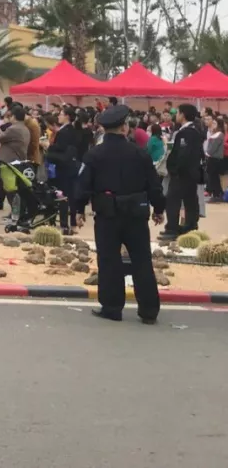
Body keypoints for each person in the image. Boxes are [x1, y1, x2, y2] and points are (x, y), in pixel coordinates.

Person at [77, 104, 164, 323]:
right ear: (124, 128)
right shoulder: (140, 154)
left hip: (107, 214)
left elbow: (83, 185)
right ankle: (149, 311)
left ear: (103, 129)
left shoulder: (94, 154)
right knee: (142, 260)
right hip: (136, 214)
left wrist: (78, 209)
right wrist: (158, 209)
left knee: (109, 260)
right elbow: (154, 185)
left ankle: (112, 307)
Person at [163, 103, 203, 240]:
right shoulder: (194, 131)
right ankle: (190, 226)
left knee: (173, 200)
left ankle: (172, 228)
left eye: (178, 113)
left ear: (183, 115)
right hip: (191, 173)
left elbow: (183, 154)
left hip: (182, 174)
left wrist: (175, 169)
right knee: (190, 200)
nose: (176, 115)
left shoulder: (186, 132)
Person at [46, 107, 81, 232]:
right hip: (72, 166)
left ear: (67, 116)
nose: (58, 116)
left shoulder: (64, 132)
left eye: (61, 114)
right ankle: (72, 224)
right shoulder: (73, 130)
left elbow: (60, 147)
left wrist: (49, 147)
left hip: (63, 167)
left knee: (63, 196)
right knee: (71, 195)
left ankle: (64, 224)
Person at [203, 115, 224, 199]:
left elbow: (213, 148)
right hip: (211, 158)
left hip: (215, 158)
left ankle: (217, 194)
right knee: (212, 177)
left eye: (215, 123)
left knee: (214, 177)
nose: (213, 125)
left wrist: (207, 153)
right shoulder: (214, 134)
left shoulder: (219, 134)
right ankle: (216, 193)